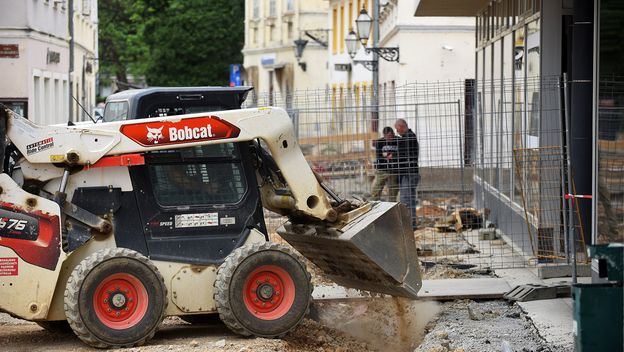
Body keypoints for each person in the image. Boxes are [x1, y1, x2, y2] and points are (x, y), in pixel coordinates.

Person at [395, 118, 420, 229]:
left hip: (409, 174)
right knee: (409, 199)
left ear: (401, 126)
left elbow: (403, 155)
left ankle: (409, 225)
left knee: (406, 200)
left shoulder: (409, 138)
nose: (397, 132)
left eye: (397, 129)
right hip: (409, 173)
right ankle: (411, 223)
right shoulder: (408, 137)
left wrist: (394, 156)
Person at [371, 127, 399, 201]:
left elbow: (402, 153)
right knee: (376, 189)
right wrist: (387, 157)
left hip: (394, 170)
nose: (390, 138)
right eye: (388, 136)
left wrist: (392, 156)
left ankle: (392, 205)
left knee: (393, 191)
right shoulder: (379, 142)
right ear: (384, 135)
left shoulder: (398, 140)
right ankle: (374, 203)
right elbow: (379, 156)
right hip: (382, 169)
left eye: (391, 136)